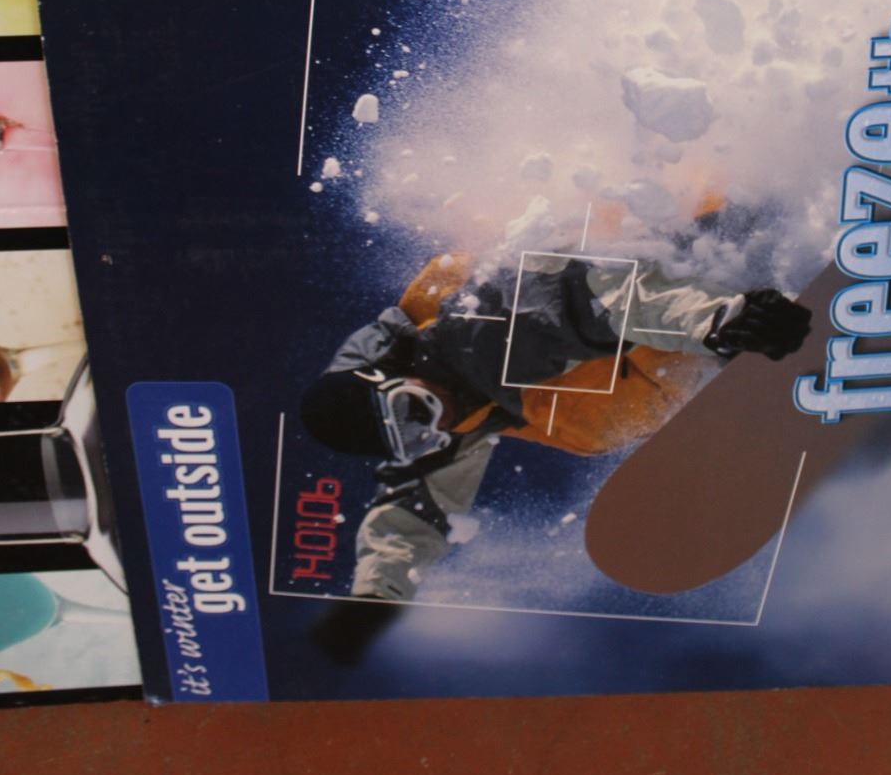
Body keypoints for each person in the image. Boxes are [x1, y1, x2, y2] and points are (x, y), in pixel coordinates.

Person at [299, 250, 810, 609]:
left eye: (411, 408)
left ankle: (728, 340)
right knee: (588, 425)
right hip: (683, 354)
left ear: (389, 371)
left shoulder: (472, 331)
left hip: (686, 281)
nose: (435, 422)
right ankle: (724, 376)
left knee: (585, 415)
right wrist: (376, 595)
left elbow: (601, 298)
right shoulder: (454, 412)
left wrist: (716, 320)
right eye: (418, 438)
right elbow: (409, 512)